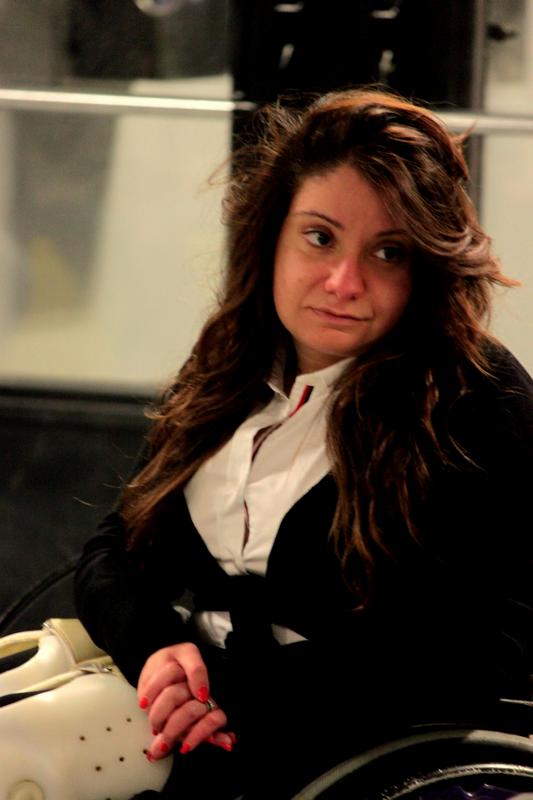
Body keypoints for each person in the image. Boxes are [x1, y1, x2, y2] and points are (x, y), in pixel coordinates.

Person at [75, 88, 533, 799]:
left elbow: (480, 649)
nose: (344, 282)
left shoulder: (473, 395)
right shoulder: (229, 363)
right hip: (191, 729)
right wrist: (155, 650)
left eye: (387, 252)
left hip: (369, 757)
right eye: (320, 238)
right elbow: (117, 550)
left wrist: (237, 691)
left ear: (424, 268)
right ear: (271, 237)